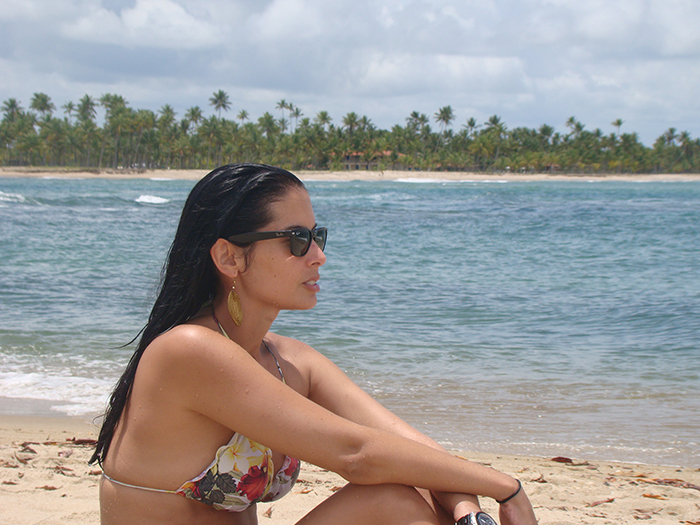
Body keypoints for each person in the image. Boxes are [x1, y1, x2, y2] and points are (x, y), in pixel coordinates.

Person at [91, 163, 538, 525]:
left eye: (316, 236)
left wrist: (466, 508)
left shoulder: (289, 361)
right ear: (229, 257)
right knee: (391, 499)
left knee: (414, 485)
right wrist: (506, 488)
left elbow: (407, 446)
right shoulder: (189, 350)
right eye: (297, 240)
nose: (318, 255)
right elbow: (356, 455)